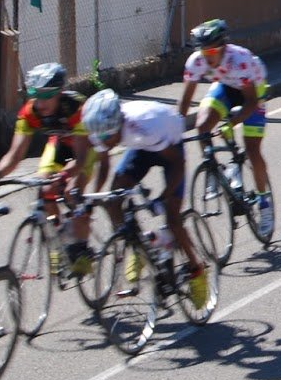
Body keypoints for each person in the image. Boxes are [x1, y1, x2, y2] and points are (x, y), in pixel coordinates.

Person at [80, 89, 209, 310]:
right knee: (113, 199)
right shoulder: (101, 129)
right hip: (140, 147)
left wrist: (165, 196)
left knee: (173, 218)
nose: (103, 141)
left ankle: (197, 270)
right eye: (99, 138)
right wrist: (92, 197)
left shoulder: (145, 127)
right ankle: (138, 246)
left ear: (119, 126)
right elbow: (104, 166)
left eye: (107, 137)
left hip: (169, 145)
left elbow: (178, 163)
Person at [0, 61, 105, 274]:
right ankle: (58, 239)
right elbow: (15, 154)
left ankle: (82, 247)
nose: (40, 102)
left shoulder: (76, 108)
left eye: (47, 96)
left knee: (71, 191)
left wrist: (65, 175)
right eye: (35, 95)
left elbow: (82, 157)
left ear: (60, 93)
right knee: (44, 187)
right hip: (58, 144)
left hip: (83, 147)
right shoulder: (30, 112)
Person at [176, 19, 274, 236]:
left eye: (211, 51)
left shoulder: (240, 60)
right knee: (202, 126)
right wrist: (174, 128)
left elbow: (249, 102)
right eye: (203, 52)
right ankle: (213, 169)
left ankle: (264, 202)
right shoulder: (196, 61)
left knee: (252, 150)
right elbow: (184, 102)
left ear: (223, 48)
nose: (206, 57)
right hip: (226, 86)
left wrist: (231, 124)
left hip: (252, 91)